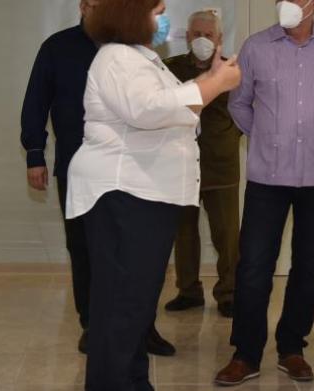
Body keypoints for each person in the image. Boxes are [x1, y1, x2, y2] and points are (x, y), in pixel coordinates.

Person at [65, 0, 241, 388]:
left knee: (136, 308)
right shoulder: (115, 58)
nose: (163, 21)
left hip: (145, 195)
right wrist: (214, 84)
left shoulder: (142, 57)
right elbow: (148, 110)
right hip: (125, 194)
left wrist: (207, 79)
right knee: (122, 310)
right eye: (157, 12)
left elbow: (175, 111)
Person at [214, 0, 314, 385]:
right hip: (268, 176)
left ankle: (291, 347)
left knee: (311, 267)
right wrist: (270, 138)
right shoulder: (255, 48)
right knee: (252, 268)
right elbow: (240, 104)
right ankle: (246, 354)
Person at [20, 0, 174, 356]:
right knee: (85, 248)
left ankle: (142, 327)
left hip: (134, 169)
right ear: (82, 7)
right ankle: (92, 324)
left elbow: (155, 104)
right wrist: (34, 154)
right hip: (79, 168)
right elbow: (36, 102)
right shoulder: (57, 47)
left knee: (137, 253)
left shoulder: (134, 47)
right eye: (92, 3)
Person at [163, 10, 242, 319]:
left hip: (220, 164)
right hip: (181, 164)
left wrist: (228, 137)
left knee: (227, 234)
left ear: (219, 39)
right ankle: (188, 291)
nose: (201, 40)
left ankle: (229, 293)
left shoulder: (232, 71)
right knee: (183, 233)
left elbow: (247, 111)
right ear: (186, 37)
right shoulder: (170, 69)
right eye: (196, 34)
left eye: (208, 35)